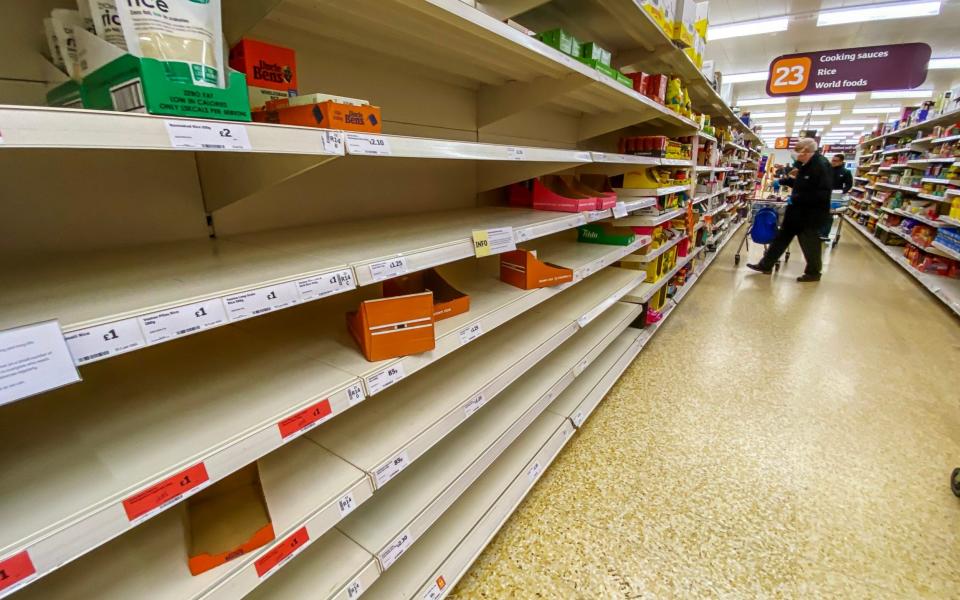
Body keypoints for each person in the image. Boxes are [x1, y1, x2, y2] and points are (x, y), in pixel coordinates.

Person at [747, 138, 832, 282]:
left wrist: (798, 197)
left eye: (798, 150)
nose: (795, 154)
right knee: (781, 238)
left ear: (806, 150)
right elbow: (801, 182)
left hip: (810, 214)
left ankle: (814, 273)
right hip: (797, 211)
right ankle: (765, 265)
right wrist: (782, 181)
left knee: (810, 242)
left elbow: (821, 192)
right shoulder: (808, 164)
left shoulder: (820, 166)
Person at [821, 153, 853, 239]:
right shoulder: (826, 170)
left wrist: (841, 192)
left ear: (841, 162)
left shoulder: (846, 172)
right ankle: (816, 232)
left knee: (829, 214)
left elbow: (849, 184)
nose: (833, 162)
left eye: (835, 161)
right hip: (822, 194)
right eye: (832, 160)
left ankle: (824, 234)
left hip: (835, 197)